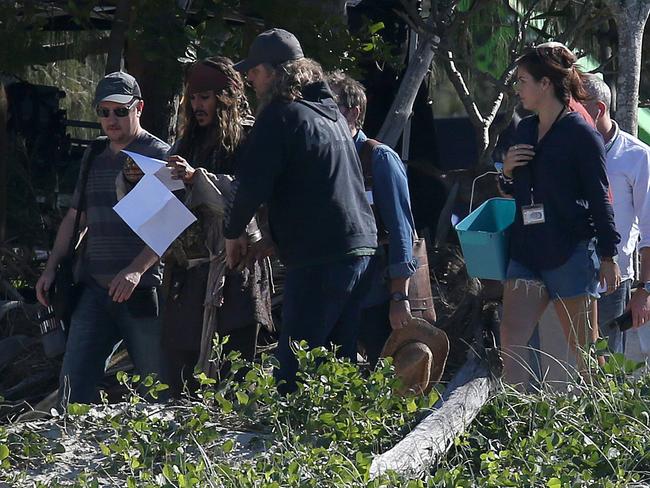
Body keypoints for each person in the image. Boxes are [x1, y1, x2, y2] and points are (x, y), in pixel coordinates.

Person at [224, 29, 377, 392]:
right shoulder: (331, 116)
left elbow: (252, 185)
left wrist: (232, 233)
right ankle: (337, 441)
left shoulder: (281, 114)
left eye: (255, 71)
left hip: (320, 258)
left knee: (294, 367)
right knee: (338, 366)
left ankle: (286, 439)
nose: (249, 78)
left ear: (276, 72)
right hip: (361, 250)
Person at [35, 72, 170, 406]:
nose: (111, 119)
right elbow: (75, 218)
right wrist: (51, 268)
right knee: (72, 388)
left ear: (138, 108)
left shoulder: (158, 154)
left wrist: (136, 270)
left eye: (120, 111)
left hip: (142, 291)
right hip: (95, 289)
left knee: (158, 392)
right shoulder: (94, 154)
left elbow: (169, 226)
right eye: (104, 112)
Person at [498, 45, 621, 387]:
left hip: (570, 251)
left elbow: (600, 198)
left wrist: (609, 254)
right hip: (526, 250)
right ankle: (515, 417)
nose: (518, 89)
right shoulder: (523, 129)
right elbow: (513, 190)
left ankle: (599, 418)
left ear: (545, 84)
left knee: (584, 350)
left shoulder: (581, 134)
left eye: (523, 81)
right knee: (511, 337)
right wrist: (506, 172)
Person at [161, 57, 273, 397]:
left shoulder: (251, 139)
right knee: (181, 372)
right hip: (189, 270)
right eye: (193, 98)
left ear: (225, 98)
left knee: (234, 372)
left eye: (205, 97)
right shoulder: (186, 142)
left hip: (235, 270)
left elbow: (253, 195)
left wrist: (199, 178)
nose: (197, 106)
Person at [326, 71, 430, 366]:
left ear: (353, 113)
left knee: (387, 376)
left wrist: (399, 299)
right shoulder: (323, 160)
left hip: (379, 296)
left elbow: (401, 231)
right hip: (338, 294)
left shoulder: (379, 159)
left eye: (331, 109)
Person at [582, 74, 650, 362]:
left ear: (598, 110)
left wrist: (645, 290)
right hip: (566, 276)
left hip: (612, 282)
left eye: (577, 105)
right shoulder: (568, 149)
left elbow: (649, 229)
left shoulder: (636, 156)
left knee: (606, 370)